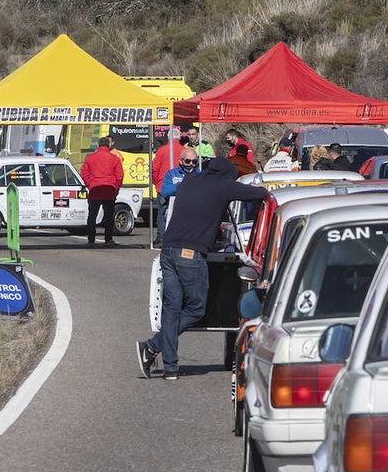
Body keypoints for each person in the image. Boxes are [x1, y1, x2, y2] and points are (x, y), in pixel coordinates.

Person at [136, 157, 268, 380]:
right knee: (196, 308)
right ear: (227, 175)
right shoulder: (223, 185)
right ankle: (152, 346)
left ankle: (169, 367)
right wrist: (258, 186)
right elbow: (259, 195)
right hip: (189, 254)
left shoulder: (189, 181)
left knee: (172, 308)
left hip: (167, 250)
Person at [81, 135, 124, 246]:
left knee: (92, 216)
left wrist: (90, 184)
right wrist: (115, 187)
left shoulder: (90, 157)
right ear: (108, 145)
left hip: (95, 189)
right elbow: (119, 176)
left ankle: (91, 240)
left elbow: (84, 174)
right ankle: (108, 239)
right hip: (109, 190)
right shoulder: (114, 158)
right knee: (108, 217)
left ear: (98, 145)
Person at [157, 148, 199, 241]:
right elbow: (165, 192)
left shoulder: (201, 175)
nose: (191, 164)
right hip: (175, 215)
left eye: (194, 161)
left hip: (194, 216)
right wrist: (181, 185)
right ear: (181, 161)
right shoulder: (171, 174)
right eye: (188, 161)